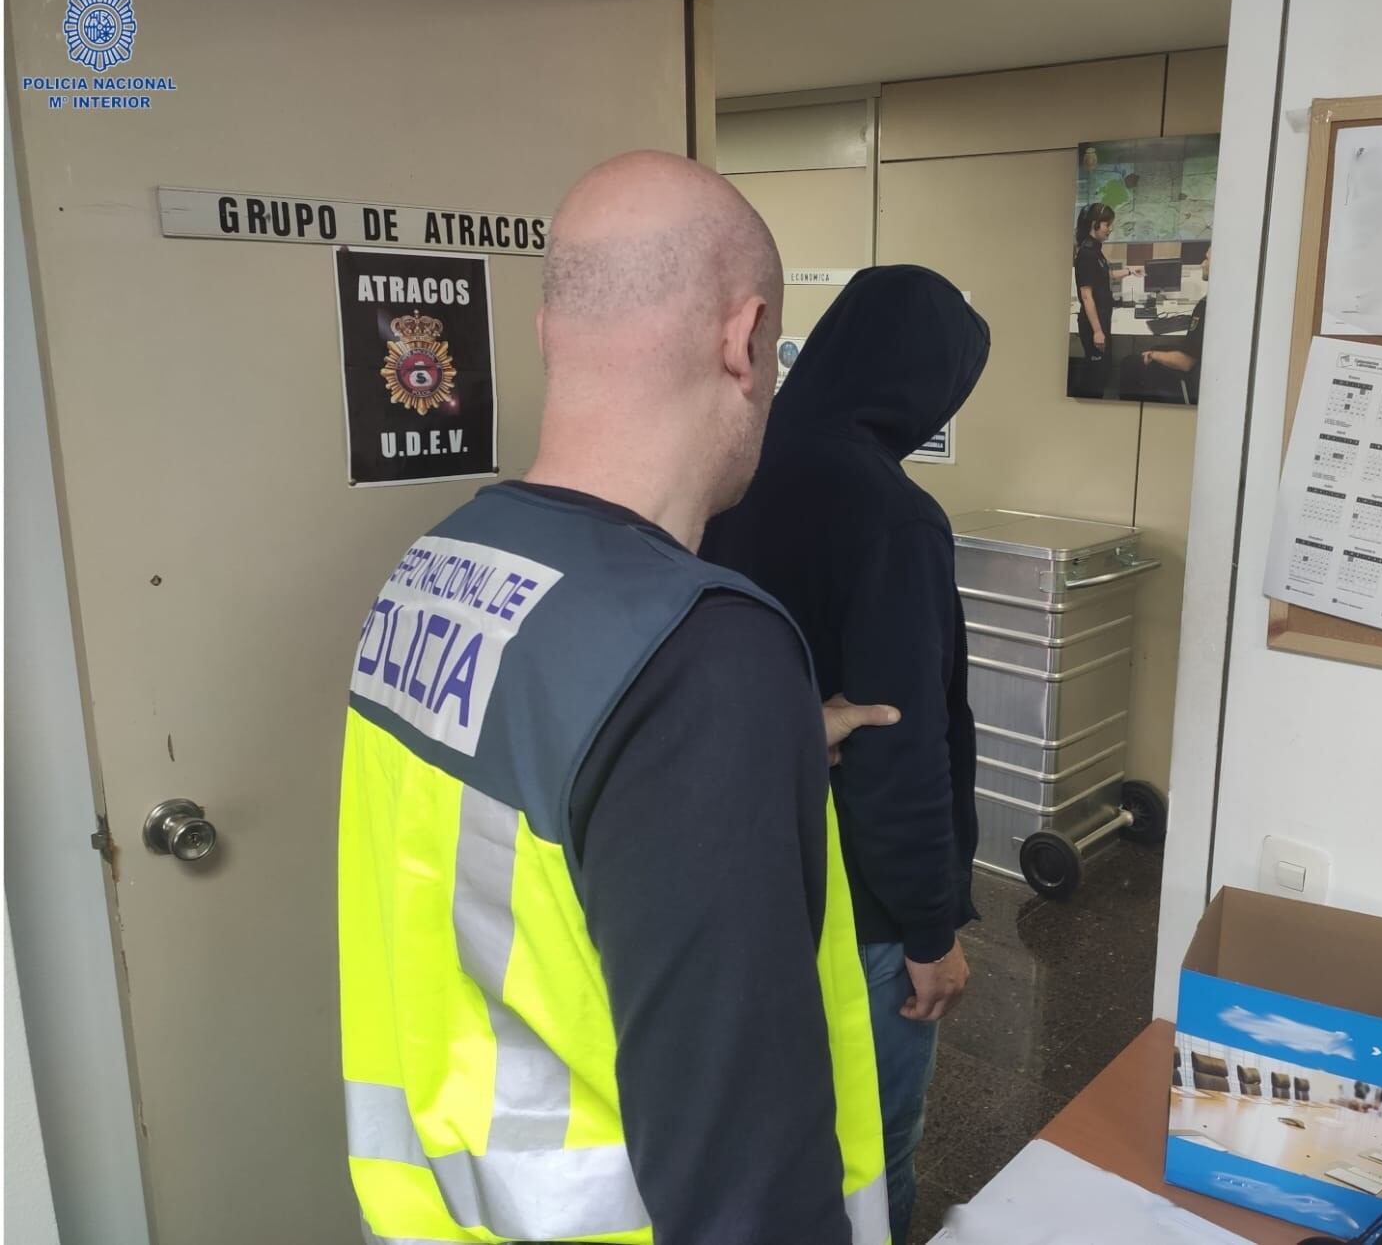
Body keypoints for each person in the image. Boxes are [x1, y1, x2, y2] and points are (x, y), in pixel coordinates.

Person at [337, 151, 900, 1245]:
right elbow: (745, 1200)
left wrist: (745, 752)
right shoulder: (699, 659)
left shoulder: (438, 567)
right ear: (745, 341)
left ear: (550, 332)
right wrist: (725, 732)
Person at [702, 265, 992, 1245]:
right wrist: (929, 931)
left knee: (757, 1137)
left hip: (733, 868)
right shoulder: (887, 512)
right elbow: (895, 743)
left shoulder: (729, 469)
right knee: (868, 1148)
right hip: (855, 903)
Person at [1117, 246, 1210, 404]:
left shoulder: (1205, 306)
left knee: (1129, 363)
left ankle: (1129, 409)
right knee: (1158, 347)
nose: (1202, 264)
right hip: (1200, 371)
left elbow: (1186, 362)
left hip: (1190, 377)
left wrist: (1153, 355)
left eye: (1207, 259)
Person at [1073, 203, 1142, 398]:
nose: (1110, 229)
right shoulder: (1086, 254)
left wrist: (1130, 271)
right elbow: (1086, 295)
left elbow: (1105, 274)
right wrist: (1097, 332)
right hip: (1093, 324)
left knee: (1102, 371)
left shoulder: (1095, 250)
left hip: (1102, 318)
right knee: (1096, 377)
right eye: (1107, 224)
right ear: (1094, 224)